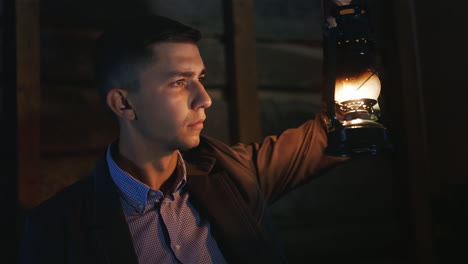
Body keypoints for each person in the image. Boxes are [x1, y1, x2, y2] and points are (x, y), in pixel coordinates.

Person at [19, 15, 348, 264]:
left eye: (200, 78)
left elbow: (341, 128)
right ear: (124, 103)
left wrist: (346, 26)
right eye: (179, 82)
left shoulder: (235, 175)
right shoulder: (58, 228)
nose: (204, 98)